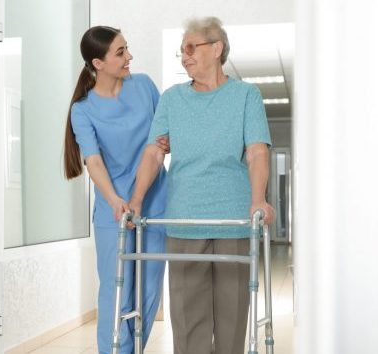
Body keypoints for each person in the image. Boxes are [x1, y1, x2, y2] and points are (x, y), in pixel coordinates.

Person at [128, 17, 274, 354]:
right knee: (187, 319)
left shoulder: (246, 95)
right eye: (181, 51)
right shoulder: (172, 99)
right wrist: (136, 199)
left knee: (231, 319)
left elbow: (256, 152)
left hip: (234, 223)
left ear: (217, 48)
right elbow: (153, 152)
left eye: (192, 48)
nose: (185, 56)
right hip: (184, 221)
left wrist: (258, 199)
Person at [63, 26, 168, 354]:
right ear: (98, 62)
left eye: (127, 49)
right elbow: (93, 161)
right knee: (116, 289)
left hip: (156, 200)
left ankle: (133, 349)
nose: (129, 57)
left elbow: (166, 132)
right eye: (120, 52)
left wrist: (167, 140)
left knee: (149, 290)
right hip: (114, 208)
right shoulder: (83, 109)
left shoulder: (145, 87)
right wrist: (114, 200)